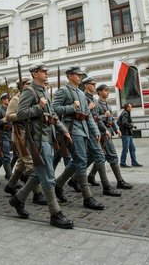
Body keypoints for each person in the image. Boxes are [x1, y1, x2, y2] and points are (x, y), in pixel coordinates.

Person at [8, 63, 74, 229]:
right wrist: (39, 107)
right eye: (43, 71)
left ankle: (18, 199)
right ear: (34, 73)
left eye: (46, 71)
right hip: (36, 139)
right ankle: (55, 213)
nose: (46, 73)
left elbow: (52, 115)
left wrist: (63, 130)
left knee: (39, 173)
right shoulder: (29, 92)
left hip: (47, 137)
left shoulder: (44, 91)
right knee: (48, 175)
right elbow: (21, 114)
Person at [53, 67, 105, 210]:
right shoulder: (64, 90)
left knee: (78, 161)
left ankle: (58, 184)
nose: (80, 77)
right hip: (71, 130)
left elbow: (87, 114)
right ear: (70, 76)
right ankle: (87, 198)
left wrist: (95, 131)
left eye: (81, 75)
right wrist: (71, 107)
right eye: (78, 75)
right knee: (81, 160)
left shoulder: (81, 94)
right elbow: (54, 109)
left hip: (84, 130)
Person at [4, 77, 47, 205]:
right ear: (21, 86)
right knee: (29, 162)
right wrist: (23, 114)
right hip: (19, 133)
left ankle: (11, 185)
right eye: (27, 84)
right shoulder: (16, 99)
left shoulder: (32, 97)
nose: (30, 85)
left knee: (22, 162)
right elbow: (8, 116)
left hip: (31, 132)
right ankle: (37, 193)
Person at [84, 81, 132, 190]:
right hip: (102, 132)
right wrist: (105, 128)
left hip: (108, 131)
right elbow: (96, 119)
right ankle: (120, 180)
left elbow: (112, 119)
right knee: (112, 156)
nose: (108, 93)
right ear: (99, 92)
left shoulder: (107, 105)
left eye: (108, 91)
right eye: (105, 90)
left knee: (100, 156)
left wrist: (116, 129)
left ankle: (89, 176)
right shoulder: (97, 104)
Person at [118, 103, 142, 168]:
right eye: (130, 107)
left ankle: (134, 162)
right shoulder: (125, 113)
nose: (131, 108)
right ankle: (122, 163)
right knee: (125, 149)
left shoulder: (126, 113)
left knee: (132, 148)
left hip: (128, 134)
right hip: (125, 134)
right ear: (127, 107)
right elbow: (124, 122)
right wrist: (132, 125)